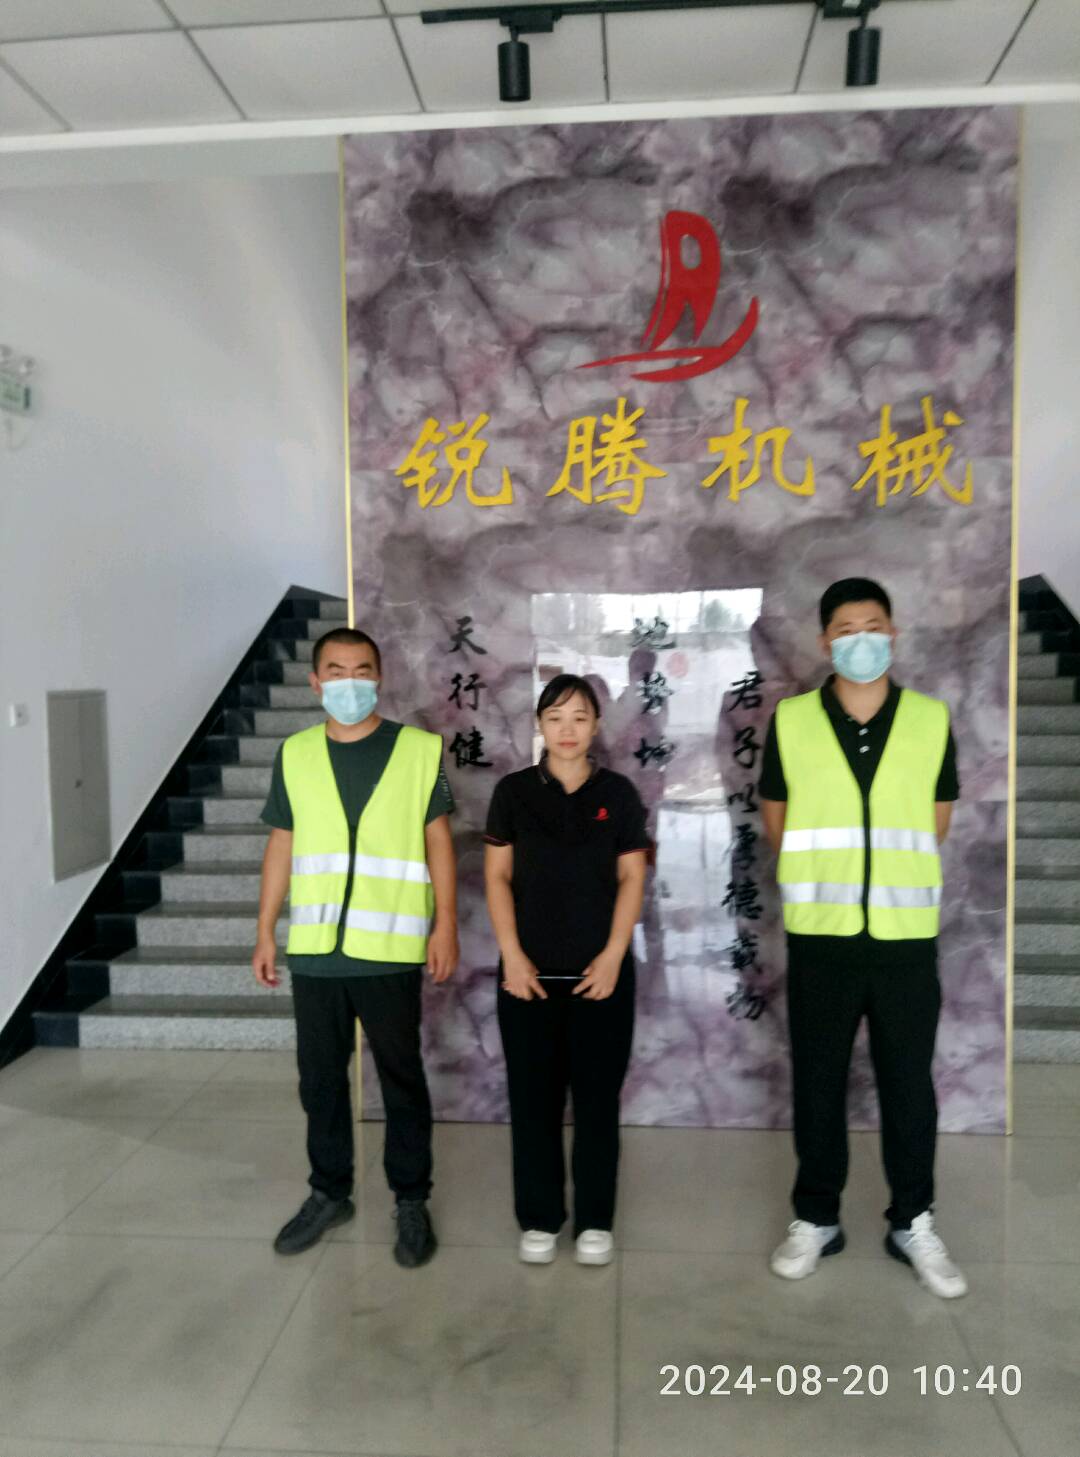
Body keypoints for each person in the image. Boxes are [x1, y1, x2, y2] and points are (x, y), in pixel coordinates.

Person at [759, 578, 967, 1299]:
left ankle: (913, 1220)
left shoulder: (930, 719)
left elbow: (938, 815)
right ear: (825, 641)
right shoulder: (792, 720)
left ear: (893, 633)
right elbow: (776, 815)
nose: (861, 640)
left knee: (909, 1084)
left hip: (905, 936)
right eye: (845, 629)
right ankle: (816, 1218)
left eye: (873, 625)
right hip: (823, 934)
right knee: (817, 1081)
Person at [252, 626, 458, 1268]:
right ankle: (328, 1192)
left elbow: (438, 840)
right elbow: (282, 842)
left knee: (401, 1078)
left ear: (379, 677)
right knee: (319, 1081)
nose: (349, 682)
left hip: (389, 947)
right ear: (315, 682)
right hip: (316, 950)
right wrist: (264, 928)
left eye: (361, 670)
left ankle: (411, 1199)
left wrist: (446, 924)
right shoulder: (295, 754)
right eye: (335, 671)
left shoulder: (418, 750)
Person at [484, 675, 649, 1267]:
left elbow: (632, 876)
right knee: (534, 1102)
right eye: (555, 717)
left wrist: (613, 954)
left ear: (597, 725)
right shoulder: (513, 793)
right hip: (527, 976)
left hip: (601, 976)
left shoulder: (618, 794)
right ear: (539, 725)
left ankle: (595, 1221)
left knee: (598, 1103)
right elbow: (497, 876)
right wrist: (512, 954)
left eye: (580, 717)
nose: (567, 729)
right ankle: (540, 1218)